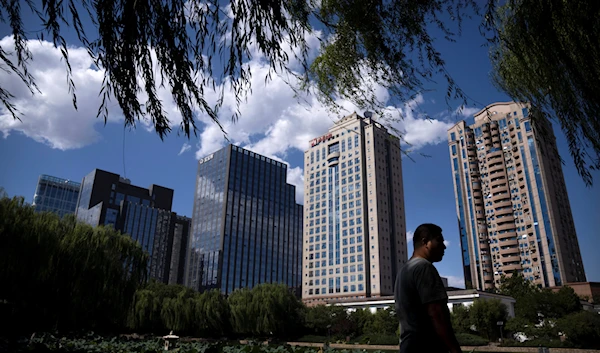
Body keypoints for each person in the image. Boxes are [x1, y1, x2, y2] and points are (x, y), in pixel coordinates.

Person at [394, 223, 462, 353]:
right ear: (425, 242)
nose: (444, 246)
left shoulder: (403, 270)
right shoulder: (424, 268)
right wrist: (455, 350)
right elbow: (437, 314)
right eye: (439, 241)